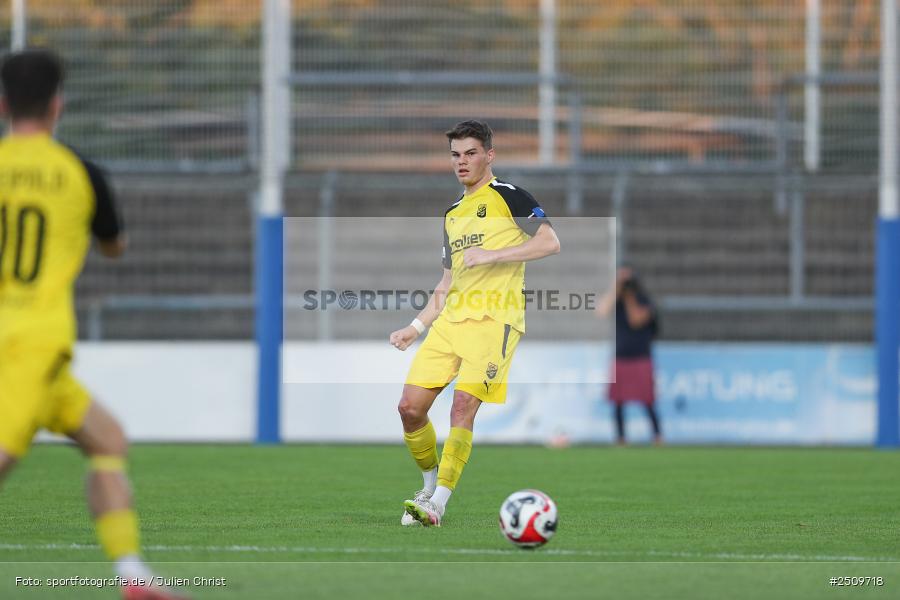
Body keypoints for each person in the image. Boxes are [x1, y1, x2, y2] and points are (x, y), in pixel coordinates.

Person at [0, 49, 186, 600]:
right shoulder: (82, 173)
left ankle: (132, 575)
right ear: (58, 104)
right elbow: (114, 246)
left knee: (107, 437)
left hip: (35, 354)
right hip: (32, 338)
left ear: (4, 104)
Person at [389, 120, 560, 527]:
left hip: (494, 321)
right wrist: (416, 326)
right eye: (455, 155)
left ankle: (439, 503)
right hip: (450, 323)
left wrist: (495, 254)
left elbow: (550, 242)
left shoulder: (508, 195)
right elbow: (447, 282)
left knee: (463, 406)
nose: (461, 162)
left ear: (489, 155)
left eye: (470, 153)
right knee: (410, 409)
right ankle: (428, 487)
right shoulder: (452, 214)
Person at [597, 266, 662, 445]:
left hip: (641, 357)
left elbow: (636, 320)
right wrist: (615, 288)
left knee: (647, 400)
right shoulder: (616, 300)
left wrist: (629, 296)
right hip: (621, 357)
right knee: (618, 401)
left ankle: (657, 436)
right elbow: (601, 311)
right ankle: (620, 438)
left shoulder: (644, 300)